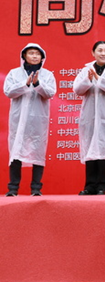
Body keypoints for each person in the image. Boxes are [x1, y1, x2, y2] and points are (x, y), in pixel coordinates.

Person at [4, 43, 56, 196]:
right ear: (24, 56)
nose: (34, 56)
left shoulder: (47, 75)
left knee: (37, 152)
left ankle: (36, 188)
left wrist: (37, 84)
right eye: (31, 53)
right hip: (19, 119)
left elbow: (50, 93)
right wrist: (25, 84)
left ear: (42, 57)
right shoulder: (14, 73)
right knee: (16, 151)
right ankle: (13, 188)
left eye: (37, 54)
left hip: (38, 119)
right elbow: (8, 92)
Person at [73, 41, 105, 195]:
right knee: (90, 149)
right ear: (93, 53)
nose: (103, 53)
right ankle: (89, 186)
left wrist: (99, 79)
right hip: (90, 116)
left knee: (103, 149)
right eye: (100, 50)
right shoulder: (86, 70)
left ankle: (102, 186)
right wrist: (88, 80)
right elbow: (77, 90)